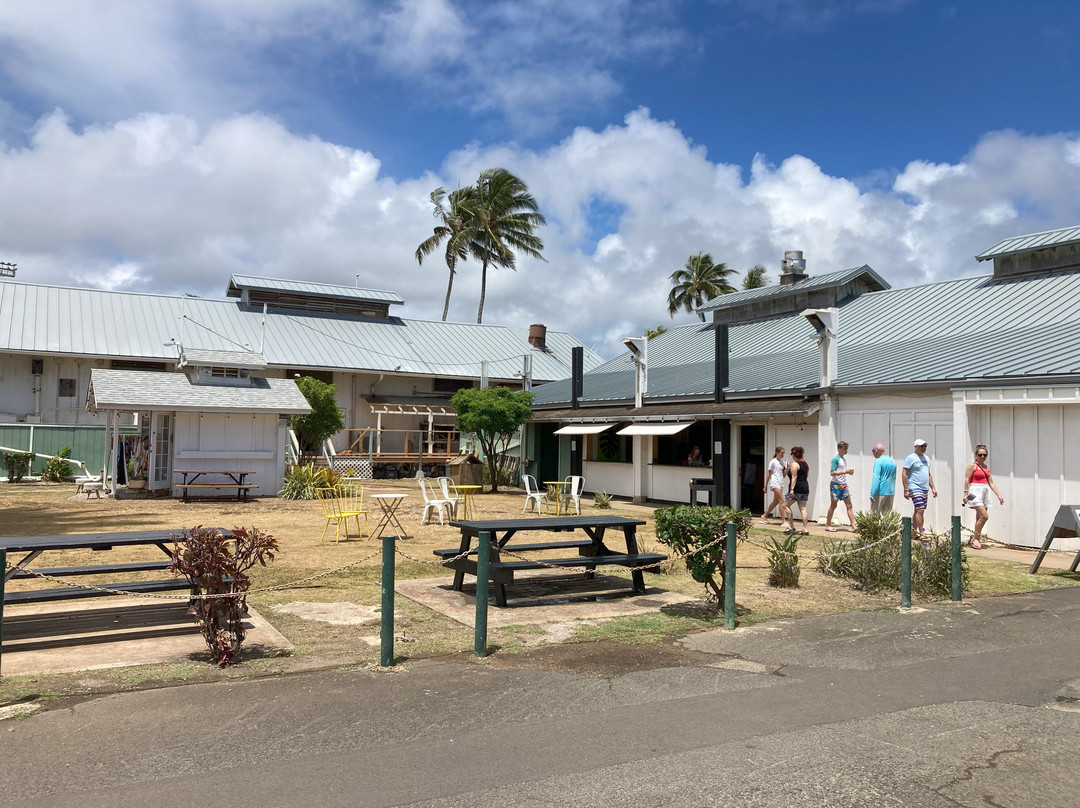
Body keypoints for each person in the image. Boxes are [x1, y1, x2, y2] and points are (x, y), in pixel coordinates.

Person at [962, 444, 1005, 550]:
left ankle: (976, 538)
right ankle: (975, 538)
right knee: (984, 516)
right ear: (976, 455)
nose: (982, 457)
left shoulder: (986, 468)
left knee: (979, 517)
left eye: (984, 455)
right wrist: (965, 493)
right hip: (974, 491)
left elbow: (991, 482)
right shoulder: (972, 466)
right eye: (980, 455)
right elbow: (967, 479)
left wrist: (999, 495)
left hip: (985, 490)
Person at [902, 438, 937, 533]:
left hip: (924, 488)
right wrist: (906, 489)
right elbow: (904, 473)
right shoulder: (910, 458)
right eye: (921, 446)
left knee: (918, 510)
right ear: (916, 447)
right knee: (920, 509)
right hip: (914, 487)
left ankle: (913, 531)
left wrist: (933, 488)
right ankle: (922, 532)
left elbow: (928, 474)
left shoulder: (926, 458)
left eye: (925, 446)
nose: (924, 448)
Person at [825, 440, 857, 532]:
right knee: (833, 505)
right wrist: (845, 472)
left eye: (846, 449)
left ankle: (853, 525)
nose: (846, 451)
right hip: (835, 485)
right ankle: (828, 525)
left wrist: (847, 472)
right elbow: (832, 472)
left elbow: (841, 471)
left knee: (849, 505)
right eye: (844, 449)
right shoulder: (836, 459)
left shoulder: (843, 459)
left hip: (843, 484)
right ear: (839, 449)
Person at [782, 446, 810, 535]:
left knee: (785, 505)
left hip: (796, 488)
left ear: (794, 455)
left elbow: (794, 477)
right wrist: (787, 468)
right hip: (804, 487)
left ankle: (791, 526)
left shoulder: (795, 464)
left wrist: (792, 489)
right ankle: (805, 529)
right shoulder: (805, 464)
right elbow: (806, 476)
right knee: (803, 508)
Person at [762, 446, 788, 527]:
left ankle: (765, 515)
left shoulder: (782, 462)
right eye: (782, 453)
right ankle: (783, 521)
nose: (783, 455)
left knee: (776, 501)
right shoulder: (773, 462)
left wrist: (787, 469)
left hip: (780, 483)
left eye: (784, 453)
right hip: (774, 483)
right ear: (777, 453)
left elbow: (784, 475)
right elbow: (768, 474)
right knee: (782, 501)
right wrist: (765, 486)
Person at [869, 443, 896, 513]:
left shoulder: (878, 461)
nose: (873, 453)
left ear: (876, 451)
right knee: (887, 516)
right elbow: (893, 477)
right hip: (890, 492)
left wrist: (872, 493)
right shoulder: (893, 461)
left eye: (873, 450)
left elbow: (876, 478)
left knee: (874, 515)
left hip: (880, 491)